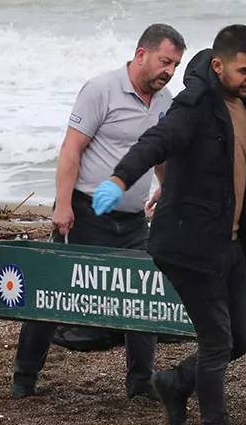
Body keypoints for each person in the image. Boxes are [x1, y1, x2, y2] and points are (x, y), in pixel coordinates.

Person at [90, 25, 246, 425]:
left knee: (242, 337)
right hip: (189, 243)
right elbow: (156, 142)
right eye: (243, 69)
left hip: (231, 242)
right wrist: (119, 179)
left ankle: (174, 382)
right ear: (218, 65)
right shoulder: (195, 105)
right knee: (216, 340)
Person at [10, 24, 187, 401]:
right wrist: (61, 204)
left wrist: (167, 189)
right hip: (86, 212)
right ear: (142, 54)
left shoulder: (165, 100)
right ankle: (24, 377)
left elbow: (161, 154)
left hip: (133, 218)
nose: (169, 71)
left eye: (175, 65)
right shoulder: (101, 90)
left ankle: (140, 382)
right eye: (165, 61)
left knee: (143, 295)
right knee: (52, 294)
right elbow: (71, 149)